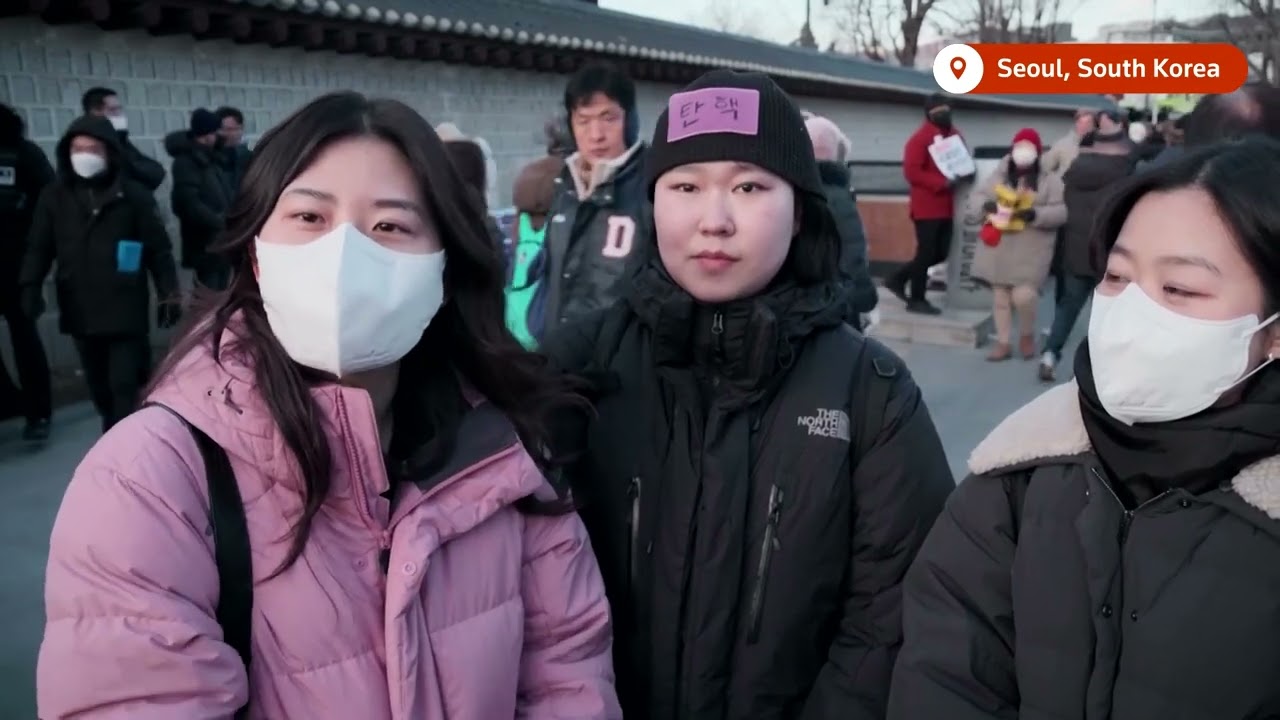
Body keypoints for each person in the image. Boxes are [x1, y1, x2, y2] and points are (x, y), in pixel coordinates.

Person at [36, 92, 621, 719]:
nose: (346, 255)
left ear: (444, 268)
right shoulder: (150, 478)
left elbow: (568, 677)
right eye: (310, 219)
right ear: (258, 254)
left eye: (390, 226)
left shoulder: (506, 456)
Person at [544, 70, 954, 719]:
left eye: (749, 186)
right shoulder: (576, 367)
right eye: (684, 186)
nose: (715, 220)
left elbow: (893, 617)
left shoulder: (870, 395)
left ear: (800, 212)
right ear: (653, 204)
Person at [890, 136, 1280, 720]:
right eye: (1118, 277)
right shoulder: (1016, 475)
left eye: (1180, 289)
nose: (1133, 315)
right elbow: (944, 672)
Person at [18, 115, 180, 433]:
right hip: (79, 305)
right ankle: (117, 423)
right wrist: (29, 286)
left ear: (109, 152)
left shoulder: (132, 195)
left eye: (93, 148)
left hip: (124, 304)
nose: (85, 155)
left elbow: (158, 249)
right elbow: (38, 247)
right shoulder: (55, 197)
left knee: (124, 381)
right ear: (67, 152)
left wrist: (168, 292)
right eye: (78, 148)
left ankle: (124, 438)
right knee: (100, 385)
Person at [537, 62, 649, 337]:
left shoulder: (655, 184)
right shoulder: (566, 184)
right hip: (560, 353)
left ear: (630, 119)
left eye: (608, 118)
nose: (596, 135)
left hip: (621, 360)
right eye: (583, 121)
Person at [1039, 113, 1135, 382]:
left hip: (1075, 250)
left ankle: (1049, 355)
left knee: (1068, 307)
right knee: (1105, 312)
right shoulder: (1123, 175)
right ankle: (1096, 370)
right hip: (1107, 254)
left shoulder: (1074, 173)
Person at [969, 128, 1067, 362]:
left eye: (1028, 147)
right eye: (1019, 147)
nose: (1022, 153)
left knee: (1024, 296)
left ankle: (1026, 334)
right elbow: (977, 197)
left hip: (1031, 249)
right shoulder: (1000, 175)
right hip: (999, 247)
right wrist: (986, 207)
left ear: (1037, 151)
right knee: (1000, 297)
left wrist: (1034, 214)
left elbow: (1061, 212)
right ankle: (1003, 343)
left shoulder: (1049, 180)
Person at [0, 102, 55, 441]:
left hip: (17, 265)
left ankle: (38, 413)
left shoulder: (23, 155)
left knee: (25, 338)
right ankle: (10, 402)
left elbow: (49, 201)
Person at [888, 93, 968, 316]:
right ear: (930, 114)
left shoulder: (955, 135)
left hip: (948, 206)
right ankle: (917, 298)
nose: (945, 114)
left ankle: (899, 278)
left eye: (947, 109)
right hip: (927, 207)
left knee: (940, 252)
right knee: (926, 252)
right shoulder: (919, 139)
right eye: (940, 111)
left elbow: (963, 160)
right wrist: (941, 182)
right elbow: (912, 172)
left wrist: (967, 171)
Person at [805, 114, 878, 327]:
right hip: (835, 310)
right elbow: (852, 252)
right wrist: (865, 297)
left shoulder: (787, 190)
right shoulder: (836, 196)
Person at [166, 108, 235, 291]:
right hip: (205, 243)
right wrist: (219, 222)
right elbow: (187, 203)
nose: (221, 135)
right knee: (208, 297)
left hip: (221, 240)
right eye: (217, 131)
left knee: (221, 294)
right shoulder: (187, 162)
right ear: (207, 134)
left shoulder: (212, 157)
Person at [81, 86, 166, 191]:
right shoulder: (85, 146)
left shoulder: (119, 140)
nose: (119, 114)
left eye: (119, 109)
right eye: (113, 110)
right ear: (95, 112)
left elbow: (154, 172)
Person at [1041, 107, 1096, 175]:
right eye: (1080, 122)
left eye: (1088, 123)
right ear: (1076, 124)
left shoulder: (1101, 145)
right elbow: (1046, 167)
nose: (1083, 126)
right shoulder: (1062, 144)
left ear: (1093, 126)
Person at [214, 105, 253, 190]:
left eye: (233, 129)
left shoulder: (251, 159)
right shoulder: (206, 159)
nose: (230, 134)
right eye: (224, 129)